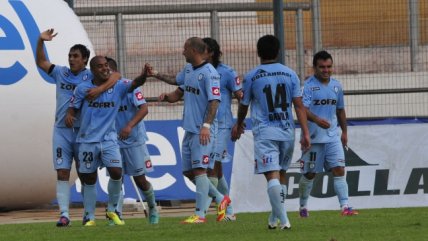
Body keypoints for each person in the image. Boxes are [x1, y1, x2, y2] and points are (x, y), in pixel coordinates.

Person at [35, 29, 120, 227]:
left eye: (75, 56)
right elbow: (41, 62)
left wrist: (99, 89)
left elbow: (116, 75)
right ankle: (64, 214)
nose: (71, 59)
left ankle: (88, 215)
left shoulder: (91, 76)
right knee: (62, 172)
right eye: (70, 56)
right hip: (61, 131)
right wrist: (40, 41)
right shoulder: (61, 72)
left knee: (85, 174)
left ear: (84, 60)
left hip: (84, 133)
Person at [231, 35, 310, 230]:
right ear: (278, 51)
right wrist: (306, 133)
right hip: (287, 131)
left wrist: (239, 123)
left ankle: (284, 221)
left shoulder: (251, 76)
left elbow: (244, 104)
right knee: (281, 174)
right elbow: (299, 107)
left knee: (272, 175)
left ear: (258, 53)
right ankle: (275, 218)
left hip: (265, 132)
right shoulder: (290, 74)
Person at [155, 37, 231, 223]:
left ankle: (200, 215)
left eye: (185, 49)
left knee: (199, 171)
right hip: (189, 129)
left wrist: (206, 126)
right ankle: (221, 198)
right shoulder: (189, 69)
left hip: (202, 131)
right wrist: (165, 92)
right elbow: (178, 87)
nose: (182, 52)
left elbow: (214, 101)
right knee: (189, 172)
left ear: (194, 51)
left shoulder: (210, 73)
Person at [65, 56, 148, 226]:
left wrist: (144, 75)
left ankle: (113, 210)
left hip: (110, 139)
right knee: (89, 178)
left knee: (117, 172)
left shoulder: (118, 86)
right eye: (100, 67)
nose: (105, 69)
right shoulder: (83, 89)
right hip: (87, 140)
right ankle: (89, 216)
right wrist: (70, 115)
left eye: (106, 66)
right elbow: (73, 108)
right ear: (93, 70)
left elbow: (134, 84)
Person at [298, 50, 359, 217]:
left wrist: (344, 132)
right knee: (310, 174)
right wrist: (316, 120)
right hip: (313, 138)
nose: (326, 70)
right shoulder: (309, 87)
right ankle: (303, 207)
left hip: (332, 137)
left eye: (329, 67)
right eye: (322, 67)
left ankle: (345, 207)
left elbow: (340, 110)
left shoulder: (337, 86)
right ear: (314, 68)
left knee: (339, 169)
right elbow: (302, 109)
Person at [106, 57, 159, 224]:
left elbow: (144, 108)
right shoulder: (102, 90)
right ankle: (116, 215)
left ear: (112, 72)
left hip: (133, 139)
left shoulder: (128, 86)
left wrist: (129, 126)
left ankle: (153, 208)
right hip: (113, 141)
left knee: (140, 180)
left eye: (104, 70)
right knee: (116, 179)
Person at [202, 37, 242, 221]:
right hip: (204, 125)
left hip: (223, 125)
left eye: (202, 49)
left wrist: (239, 123)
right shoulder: (197, 71)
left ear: (211, 52)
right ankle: (229, 210)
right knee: (215, 170)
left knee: (212, 167)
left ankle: (202, 213)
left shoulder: (226, 72)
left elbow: (241, 96)